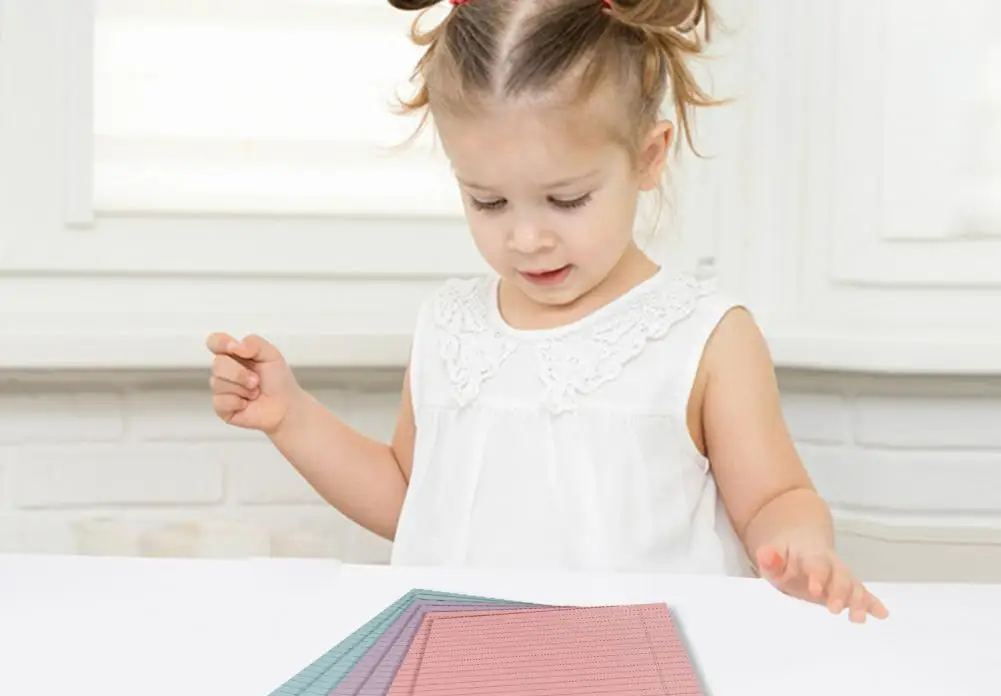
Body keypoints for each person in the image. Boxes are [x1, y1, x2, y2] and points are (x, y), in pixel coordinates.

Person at [206, 0, 888, 623]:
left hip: (643, 673)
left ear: (648, 157)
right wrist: (291, 417)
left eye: (566, 200)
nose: (526, 238)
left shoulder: (703, 337)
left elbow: (772, 497)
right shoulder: (450, 327)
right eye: (488, 202)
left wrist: (797, 546)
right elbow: (410, 497)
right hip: (466, 666)